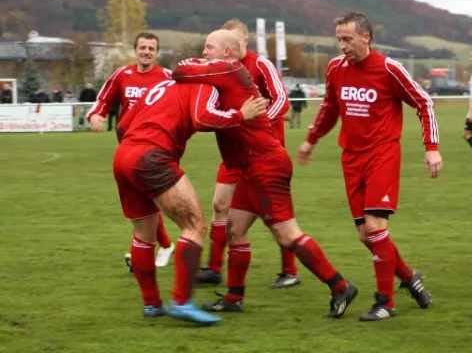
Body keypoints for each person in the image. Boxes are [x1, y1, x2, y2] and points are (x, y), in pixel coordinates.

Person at [173, 30, 358, 318]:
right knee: (235, 228)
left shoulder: (228, 68)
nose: (204, 52)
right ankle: (234, 297)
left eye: (209, 47)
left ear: (227, 53)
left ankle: (340, 286)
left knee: (287, 235)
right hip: (252, 165)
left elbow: (180, 71)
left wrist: (193, 65)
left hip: (265, 165)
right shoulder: (226, 72)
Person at [297, 12, 442, 321]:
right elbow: (330, 107)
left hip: (382, 153)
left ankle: (385, 303)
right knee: (366, 235)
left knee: (376, 228)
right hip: (350, 157)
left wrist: (432, 148)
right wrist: (311, 139)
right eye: (338, 39)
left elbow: (424, 102)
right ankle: (409, 275)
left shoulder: (390, 68)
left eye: (347, 39)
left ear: (366, 37)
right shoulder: (336, 68)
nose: (342, 46)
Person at [114, 62, 267, 323]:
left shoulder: (159, 84)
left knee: (143, 234)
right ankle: (181, 301)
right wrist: (240, 115)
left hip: (124, 156)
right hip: (152, 156)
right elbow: (203, 117)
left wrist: (136, 151)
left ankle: (152, 304)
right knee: (195, 225)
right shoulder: (202, 85)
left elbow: (121, 126)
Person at [195, 18, 299, 290]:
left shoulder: (260, 64)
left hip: (263, 151)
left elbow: (281, 100)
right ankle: (214, 268)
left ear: (244, 41)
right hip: (235, 151)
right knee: (220, 205)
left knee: (274, 216)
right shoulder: (220, 69)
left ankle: (290, 269)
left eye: (235, 40)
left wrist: (261, 125)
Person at [87, 32, 176, 271]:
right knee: (142, 198)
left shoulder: (167, 77)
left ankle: (144, 250)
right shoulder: (122, 75)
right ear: (135, 50)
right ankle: (164, 245)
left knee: (147, 197)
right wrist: (97, 115)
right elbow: (104, 98)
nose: (147, 51)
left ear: (157, 52)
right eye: (143, 47)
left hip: (155, 147)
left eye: (151, 48)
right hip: (127, 145)